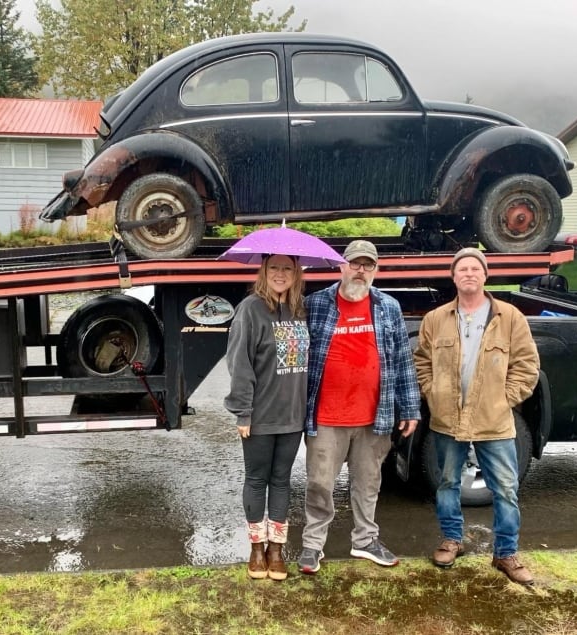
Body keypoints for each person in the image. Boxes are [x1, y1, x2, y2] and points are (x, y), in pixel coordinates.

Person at [413, 247, 540, 585]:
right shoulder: (435, 319)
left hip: (494, 422)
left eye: (475, 268)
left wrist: (505, 399)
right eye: (462, 269)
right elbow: (421, 361)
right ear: (453, 277)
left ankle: (506, 553)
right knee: (448, 483)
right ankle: (452, 540)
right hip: (447, 420)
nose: (469, 273)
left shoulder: (510, 317)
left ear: (485, 275)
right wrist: (432, 392)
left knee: (506, 489)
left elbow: (527, 366)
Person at [297, 240, 420, 574]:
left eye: (368, 265)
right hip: (326, 417)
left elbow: (403, 361)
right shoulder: (316, 304)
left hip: (373, 417)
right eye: (355, 264)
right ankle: (312, 545)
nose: (361, 270)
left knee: (368, 483)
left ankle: (365, 540)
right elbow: (296, 356)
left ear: (376, 271)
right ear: (342, 267)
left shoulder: (388, 306)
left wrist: (410, 409)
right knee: (319, 484)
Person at [224, 254, 309, 581]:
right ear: (263, 271)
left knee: (282, 481)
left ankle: (277, 549)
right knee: (257, 480)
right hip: (259, 417)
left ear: (296, 273)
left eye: (287, 268)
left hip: (292, 418)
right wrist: (243, 411)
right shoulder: (250, 309)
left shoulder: (299, 311)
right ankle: (257, 549)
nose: (280, 273)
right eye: (274, 267)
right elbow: (239, 364)